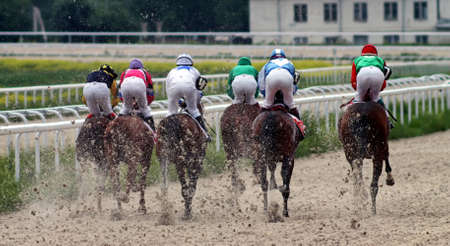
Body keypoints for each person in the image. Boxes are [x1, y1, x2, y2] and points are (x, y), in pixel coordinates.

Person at [166, 53, 210, 141]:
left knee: (171, 112)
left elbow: (168, 90)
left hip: (173, 90)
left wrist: (179, 102)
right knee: (194, 110)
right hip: (189, 88)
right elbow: (198, 91)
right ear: (191, 62)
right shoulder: (194, 71)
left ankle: (164, 135)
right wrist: (192, 103)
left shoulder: (172, 71)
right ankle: (205, 134)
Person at [350, 44, 393, 128]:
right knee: (376, 98)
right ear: (376, 54)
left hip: (363, 74)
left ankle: (351, 121)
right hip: (378, 75)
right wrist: (375, 91)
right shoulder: (380, 60)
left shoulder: (357, 60)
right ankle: (387, 121)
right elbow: (384, 82)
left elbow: (353, 81)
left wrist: (362, 93)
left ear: (362, 53)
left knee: (358, 99)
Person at [258, 48, 300, 119]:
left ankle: (256, 127)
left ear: (272, 57)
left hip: (271, 78)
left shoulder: (267, 65)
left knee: (267, 104)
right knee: (291, 105)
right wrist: (290, 94)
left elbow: (261, 85)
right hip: (287, 78)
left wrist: (266, 94)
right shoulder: (290, 63)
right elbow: (294, 84)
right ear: (284, 56)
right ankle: (301, 127)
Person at [118, 58, 155, 130]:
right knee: (145, 110)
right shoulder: (145, 72)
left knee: (125, 108)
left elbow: (120, 92)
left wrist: (127, 103)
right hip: (139, 84)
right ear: (141, 67)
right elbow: (150, 92)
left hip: (125, 84)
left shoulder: (125, 72)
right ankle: (154, 134)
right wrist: (146, 104)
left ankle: (115, 127)